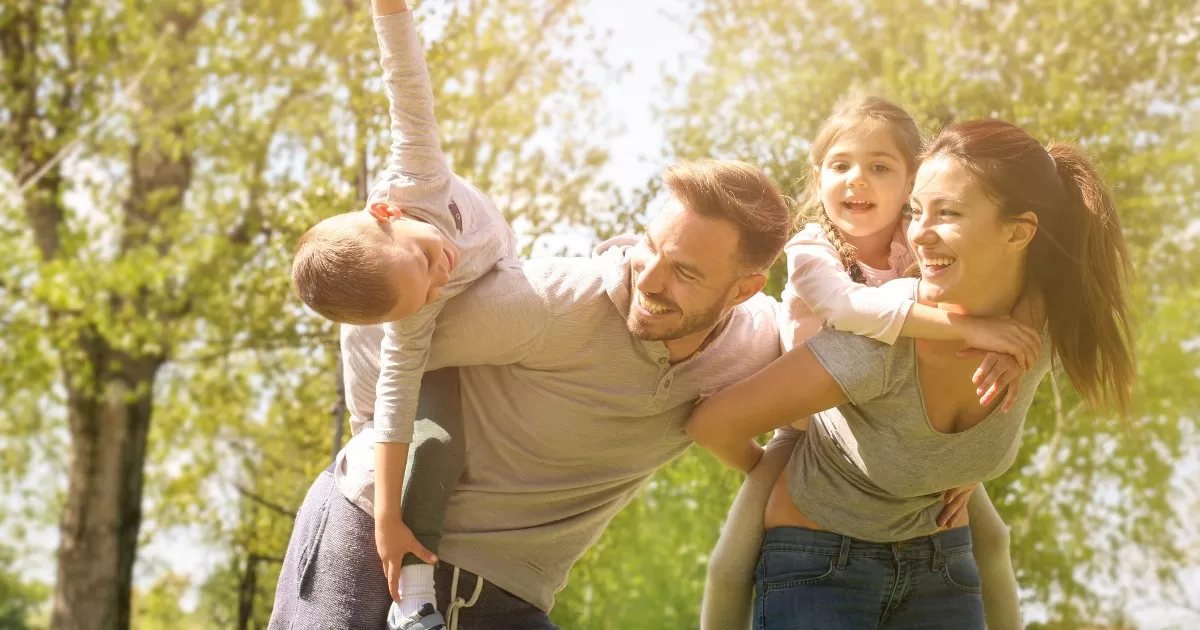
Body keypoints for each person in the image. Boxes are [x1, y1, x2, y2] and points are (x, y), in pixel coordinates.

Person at [270, 148, 797, 627]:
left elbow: (835, 352)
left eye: (684, 271)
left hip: (509, 590)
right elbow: (382, 329)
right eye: (650, 246)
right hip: (374, 540)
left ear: (744, 289)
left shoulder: (760, 344)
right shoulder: (549, 303)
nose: (651, 280)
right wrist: (372, 440)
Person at [687, 118, 1135, 629]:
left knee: (996, 544)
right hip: (821, 562)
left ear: (1018, 232)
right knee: (726, 569)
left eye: (948, 212)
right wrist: (771, 467)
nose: (918, 233)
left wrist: (957, 462)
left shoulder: (1048, 329)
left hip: (943, 561)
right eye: (917, 211)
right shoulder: (880, 340)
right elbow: (713, 424)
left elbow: (1046, 287)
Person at [289, 0, 515, 626]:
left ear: (388, 214)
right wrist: (387, 519)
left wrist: (388, 10)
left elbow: (405, 78)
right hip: (377, 385)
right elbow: (392, 411)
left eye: (425, 263)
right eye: (425, 293)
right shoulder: (411, 315)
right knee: (438, 442)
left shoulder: (417, 172)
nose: (442, 277)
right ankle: (413, 601)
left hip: (416, 331)